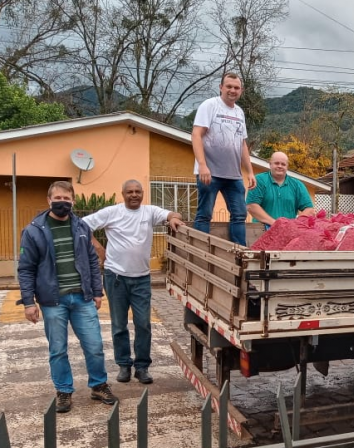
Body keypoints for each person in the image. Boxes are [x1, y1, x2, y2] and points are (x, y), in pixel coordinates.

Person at [17, 181, 118, 413]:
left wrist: (97, 291)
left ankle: (98, 385)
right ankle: (63, 390)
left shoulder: (81, 227)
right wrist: (29, 302)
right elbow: (26, 269)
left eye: (66, 199)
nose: (62, 203)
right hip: (53, 302)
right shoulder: (33, 230)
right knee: (58, 349)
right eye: (58, 199)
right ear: (48, 200)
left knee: (94, 346)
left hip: (82, 298)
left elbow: (92, 260)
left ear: (73, 201)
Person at [83, 180, 184, 385]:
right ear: (123, 194)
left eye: (138, 191)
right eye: (130, 192)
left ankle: (142, 367)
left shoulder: (149, 212)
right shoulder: (112, 212)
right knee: (119, 325)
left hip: (141, 279)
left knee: (143, 324)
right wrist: (98, 248)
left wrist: (174, 219)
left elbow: (173, 214)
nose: (134, 195)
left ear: (143, 193)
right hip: (116, 277)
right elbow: (81, 226)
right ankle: (123, 365)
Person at [191, 72, 256, 245]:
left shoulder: (239, 112)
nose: (232, 90)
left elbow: (242, 144)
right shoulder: (210, 105)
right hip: (210, 173)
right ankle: (200, 253)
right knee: (204, 214)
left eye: (236, 87)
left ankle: (240, 253)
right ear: (221, 87)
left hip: (233, 175)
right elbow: (196, 135)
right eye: (229, 86)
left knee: (240, 214)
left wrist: (249, 171)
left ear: (241, 90)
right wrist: (202, 165)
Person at [246, 151, 315, 229]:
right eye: (276, 163)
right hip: (261, 231)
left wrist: (294, 224)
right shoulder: (259, 180)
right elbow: (251, 206)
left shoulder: (297, 185)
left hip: (288, 232)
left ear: (287, 166)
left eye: (283, 164)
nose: (280, 166)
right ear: (270, 164)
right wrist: (275, 223)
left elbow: (310, 209)